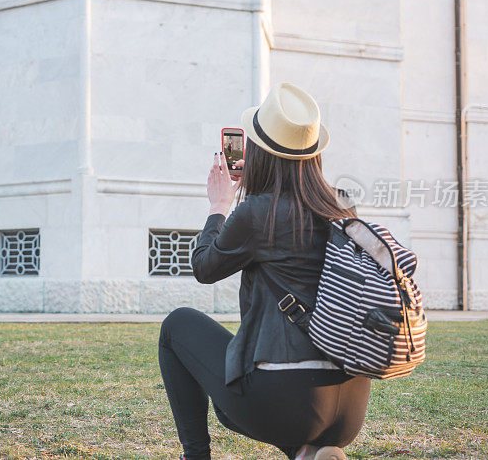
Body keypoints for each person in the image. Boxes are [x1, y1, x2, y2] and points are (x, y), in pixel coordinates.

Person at [158, 83, 371, 460]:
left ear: (259, 154)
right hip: (349, 407)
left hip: (286, 402)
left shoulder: (258, 212)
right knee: (280, 394)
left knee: (177, 325)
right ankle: (308, 453)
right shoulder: (343, 207)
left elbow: (204, 268)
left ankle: (196, 457)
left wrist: (219, 206)